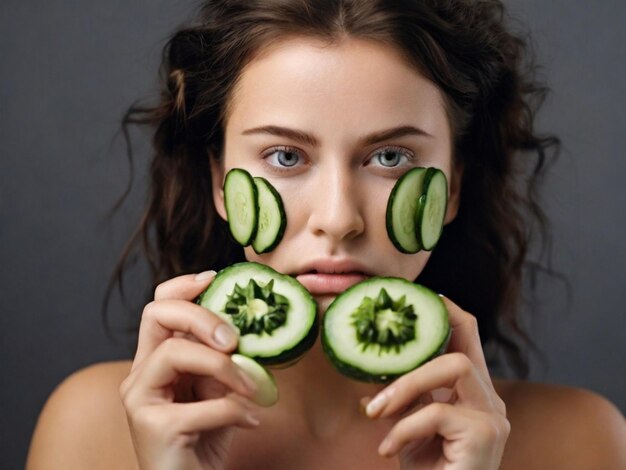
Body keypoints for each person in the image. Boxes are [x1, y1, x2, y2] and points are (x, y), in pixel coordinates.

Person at [27, 1, 626, 469]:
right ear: (218, 182)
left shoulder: (581, 442)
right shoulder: (91, 428)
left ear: (454, 187)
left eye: (390, 156)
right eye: (285, 156)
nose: (339, 218)